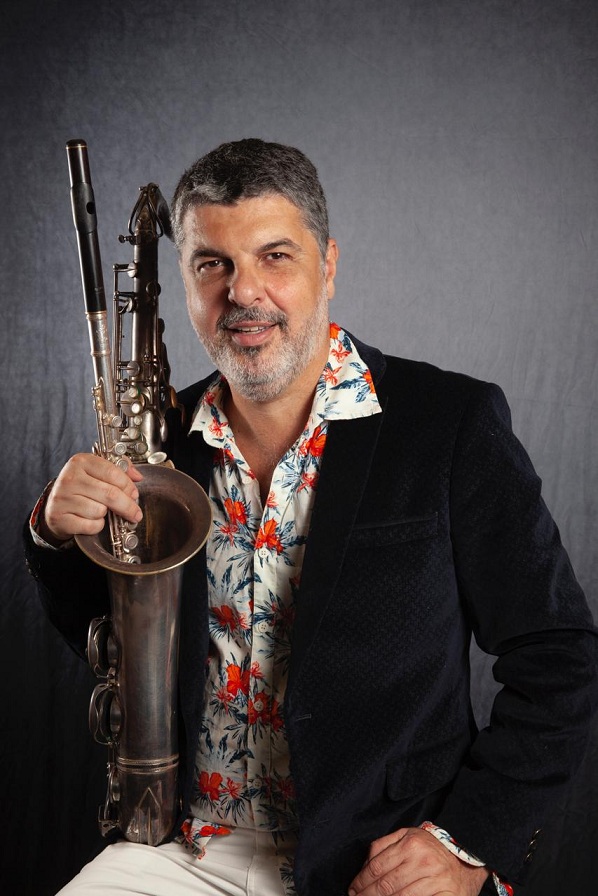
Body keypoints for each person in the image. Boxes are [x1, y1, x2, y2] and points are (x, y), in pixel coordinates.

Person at [25, 138, 598, 896]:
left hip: (374, 859)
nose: (243, 292)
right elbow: (115, 645)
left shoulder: (450, 424)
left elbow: (560, 654)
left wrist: (468, 844)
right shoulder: (161, 443)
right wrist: (56, 533)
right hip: (188, 847)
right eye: (212, 264)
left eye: (275, 257)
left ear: (328, 266)